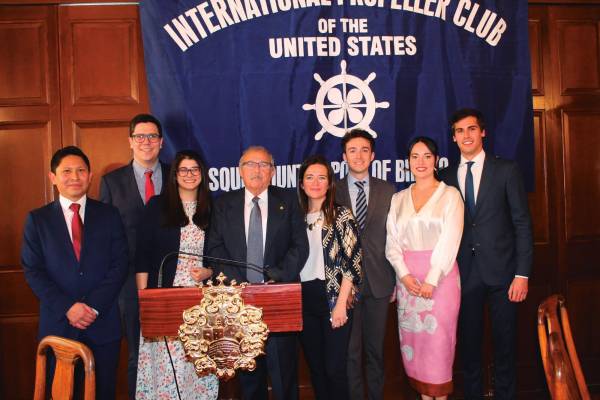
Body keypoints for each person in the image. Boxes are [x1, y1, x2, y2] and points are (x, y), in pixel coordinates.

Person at [439, 108, 533, 400]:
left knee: (505, 345)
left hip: (504, 275)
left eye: (471, 129)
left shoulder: (506, 170)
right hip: (463, 275)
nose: (465, 135)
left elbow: (522, 223)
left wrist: (522, 274)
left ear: (483, 132)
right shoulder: (443, 177)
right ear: (453, 138)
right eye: (459, 131)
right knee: (469, 348)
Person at [21, 146, 128, 399]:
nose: (75, 177)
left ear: (90, 176)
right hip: (59, 325)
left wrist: (92, 306)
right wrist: (68, 307)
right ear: (53, 177)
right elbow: (33, 270)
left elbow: (120, 263)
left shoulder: (109, 215)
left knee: (102, 392)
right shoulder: (38, 220)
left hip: (101, 324)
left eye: (81, 171)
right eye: (66, 171)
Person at [205, 145, 309, 400]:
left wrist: (275, 276)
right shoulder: (223, 204)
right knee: (250, 380)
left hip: (277, 297)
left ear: (273, 171)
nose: (257, 170)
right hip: (238, 302)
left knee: (284, 374)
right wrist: (242, 284)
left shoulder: (288, 201)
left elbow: (299, 246)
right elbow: (215, 249)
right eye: (251, 164)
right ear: (240, 170)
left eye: (264, 165)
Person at [134, 150, 218, 399]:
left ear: (202, 174)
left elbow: (221, 253)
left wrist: (209, 271)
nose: (189, 175)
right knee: (167, 366)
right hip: (165, 298)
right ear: (174, 175)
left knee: (197, 363)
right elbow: (143, 255)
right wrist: (144, 299)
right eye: (184, 170)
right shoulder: (157, 206)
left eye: (195, 170)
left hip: (202, 301)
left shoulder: (213, 208)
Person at [386, 136, 464, 399]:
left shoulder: (450, 195)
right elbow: (392, 243)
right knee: (415, 347)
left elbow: (450, 240)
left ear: (436, 160)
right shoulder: (398, 198)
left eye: (426, 156)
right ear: (408, 162)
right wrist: (404, 275)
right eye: (415, 157)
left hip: (440, 282)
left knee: (439, 348)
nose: (420, 162)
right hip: (407, 282)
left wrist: (432, 279)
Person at [99, 113, 170, 398]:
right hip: (128, 283)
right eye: (140, 136)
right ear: (130, 142)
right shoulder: (111, 182)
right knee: (138, 355)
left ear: (161, 142)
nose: (146, 142)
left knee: (176, 352)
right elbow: (103, 237)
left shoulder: (180, 173)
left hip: (173, 277)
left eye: (152, 136)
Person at [335, 129, 395, 400]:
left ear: (372, 156)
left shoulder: (388, 190)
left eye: (364, 150)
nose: (358, 156)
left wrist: (394, 278)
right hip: (344, 286)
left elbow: (396, 237)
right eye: (352, 150)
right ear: (344, 156)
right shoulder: (331, 191)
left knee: (375, 351)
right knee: (350, 353)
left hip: (380, 282)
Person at [297, 155, 362, 400]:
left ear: (329, 183)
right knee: (316, 369)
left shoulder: (341, 215)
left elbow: (352, 262)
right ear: (302, 184)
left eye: (321, 177)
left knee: (335, 369)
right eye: (310, 177)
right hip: (303, 300)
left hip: (333, 297)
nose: (315, 183)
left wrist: (341, 305)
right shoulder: (297, 217)